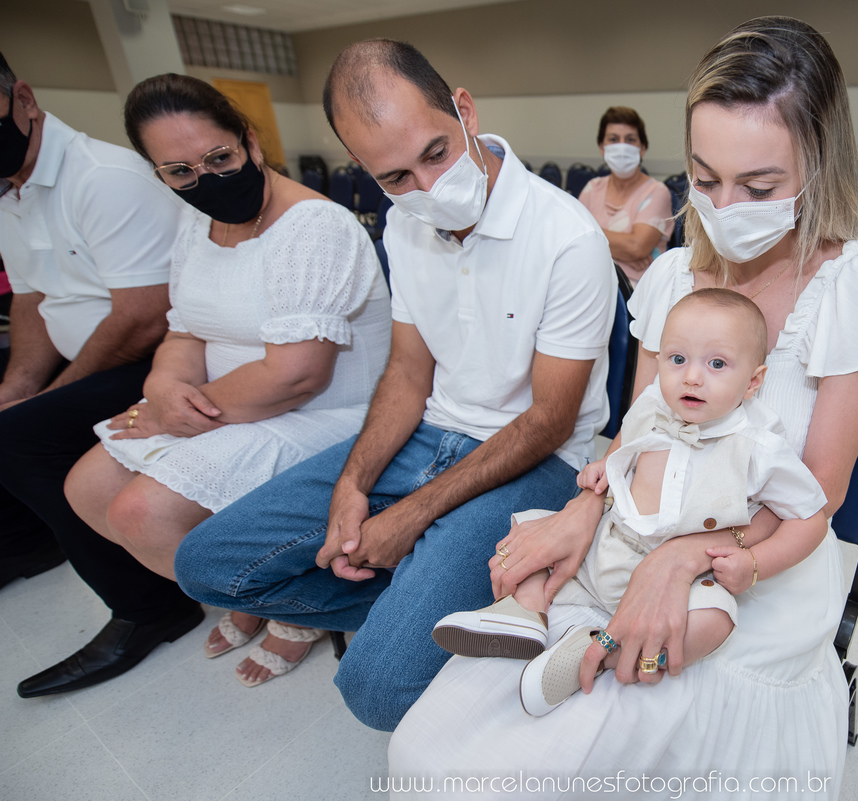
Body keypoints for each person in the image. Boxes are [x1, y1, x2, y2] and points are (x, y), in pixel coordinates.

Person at [390, 16, 858, 799]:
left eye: (760, 187)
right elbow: (638, 437)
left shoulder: (854, 288)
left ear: (819, 164)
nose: (727, 207)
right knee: (434, 751)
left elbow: (820, 494)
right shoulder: (670, 279)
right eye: (704, 178)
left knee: (560, 750)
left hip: (760, 554)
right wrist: (579, 513)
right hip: (633, 528)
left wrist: (684, 557)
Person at [172, 39, 616, 729]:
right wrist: (355, 485)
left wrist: (410, 517)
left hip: (534, 458)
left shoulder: (567, 237)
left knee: (375, 690)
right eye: (396, 177)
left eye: (436, 153)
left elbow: (551, 421)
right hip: (430, 432)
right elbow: (409, 372)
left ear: (464, 110)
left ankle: (442, 607)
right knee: (206, 564)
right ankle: (429, 601)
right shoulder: (407, 229)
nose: (428, 188)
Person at [61, 73, 392, 688]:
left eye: (219, 158)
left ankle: (297, 607)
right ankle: (251, 586)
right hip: (226, 402)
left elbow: (297, 377)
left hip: (323, 412)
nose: (205, 180)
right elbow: (186, 332)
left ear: (251, 143)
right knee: (87, 487)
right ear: (160, 176)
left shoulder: (313, 227)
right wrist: (163, 388)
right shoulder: (196, 227)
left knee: (142, 514)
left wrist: (173, 413)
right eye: (181, 171)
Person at [433, 288, 831, 717]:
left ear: (753, 382)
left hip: (679, 580)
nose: (692, 377)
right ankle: (524, 612)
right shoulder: (651, 406)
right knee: (530, 527)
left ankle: (597, 653)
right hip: (611, 540)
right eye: (678, 359)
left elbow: (811, 518)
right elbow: (626, 453)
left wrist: (755, 565)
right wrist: (604, 470)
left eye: (716, 364)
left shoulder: (760, 448)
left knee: (715, 620)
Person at [0, 51, 206, 699]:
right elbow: (32, 301)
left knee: (23, 436)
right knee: (9, 411)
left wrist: (53, 396)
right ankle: (27, 541)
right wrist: (17, 386)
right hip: (86, 350)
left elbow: (141, 316)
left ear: (24, 100)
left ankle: (151, 607)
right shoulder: (11, 191)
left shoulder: (102, 176)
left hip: (158, 356)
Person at [577, 107, 672, 285]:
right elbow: (572, 238)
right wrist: (624, 252)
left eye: (630, 139)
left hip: (637, 290)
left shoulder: (657, 192)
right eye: (613, 139)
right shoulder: (592, 188)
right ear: (602, 148)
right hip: (592, 282)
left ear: (642, 148)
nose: (621, 146)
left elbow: (636, 247)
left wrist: (591, 236)